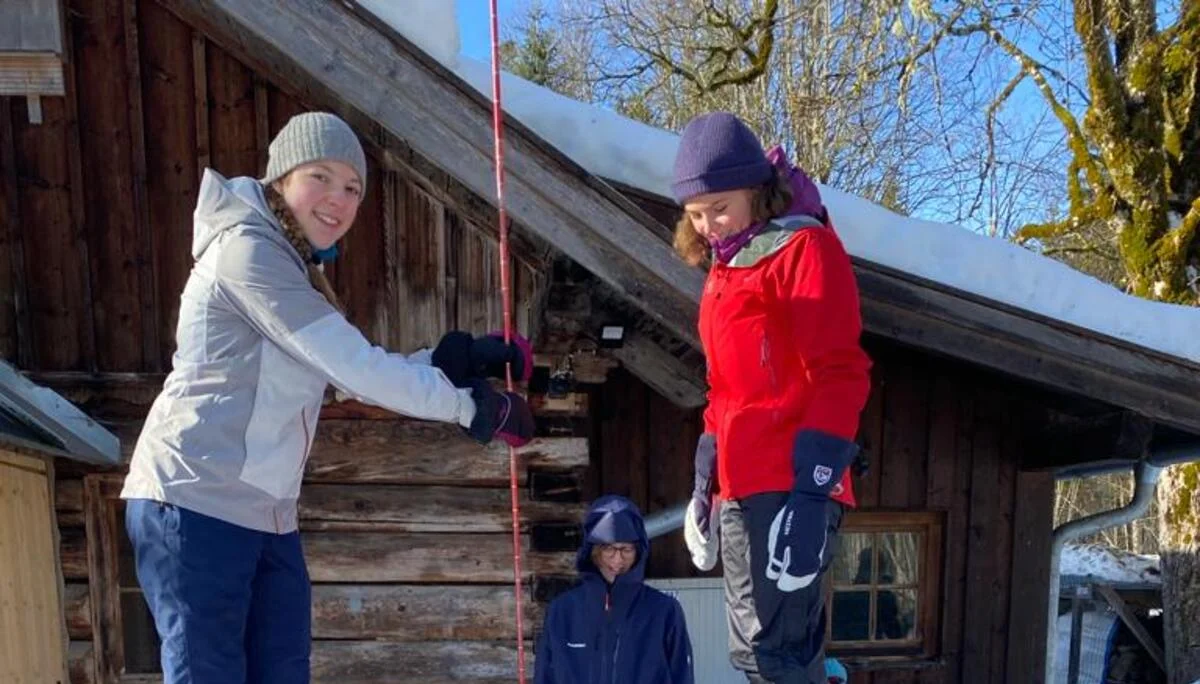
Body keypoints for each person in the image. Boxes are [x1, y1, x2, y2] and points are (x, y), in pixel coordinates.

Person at [120, 111, 534, 684]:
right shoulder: (247, 252)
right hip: (194, 501)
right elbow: (353, 366)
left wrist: (449, 364)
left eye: (352, 188)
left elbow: (337, 370)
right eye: (321, 176)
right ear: (281, 178)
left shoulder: (295, 268)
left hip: (267, 514)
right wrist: (472, 408)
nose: (337, 199)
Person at [673, 112, 872, 684]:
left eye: (720, 207)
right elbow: (724, 388)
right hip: (741, 483)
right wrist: (704, 483)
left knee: (776, 654)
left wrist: (811, 496)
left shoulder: (803, 248)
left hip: (790, 482)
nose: (709, 224)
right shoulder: (725, 269)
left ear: (757, 192)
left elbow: (841, 373)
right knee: (756, 655)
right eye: (695, 214)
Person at [535, 495, 694, 684]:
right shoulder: (563, 612)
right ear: (593, 552)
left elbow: (682, 676)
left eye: (626, 550)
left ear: (639, 551)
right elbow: (545, 675)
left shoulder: (664, 611)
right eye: (609, 549)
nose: (618, 560)